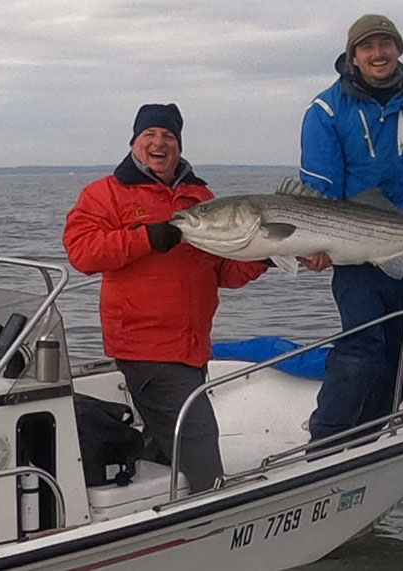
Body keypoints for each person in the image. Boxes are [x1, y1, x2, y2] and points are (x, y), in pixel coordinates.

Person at [62, 103, 267, 493]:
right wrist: (146, 238)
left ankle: (149, 513)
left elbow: (223, 270)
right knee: (200, 445)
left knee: (165, 443)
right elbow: (82, 252)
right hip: (145, 346)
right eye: (150, 135)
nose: (160, 142)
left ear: (179, 144)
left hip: (191, 346)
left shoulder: (199, 197)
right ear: (134, 142)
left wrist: (265, 257)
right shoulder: (105, 194)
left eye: (169, 136)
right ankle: (214, 519)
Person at [299, 15, 403, 444]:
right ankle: (327, 441)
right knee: (362, 346)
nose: (378, 53)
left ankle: (371, 432)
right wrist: (311, 243)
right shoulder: (327, 110)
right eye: (367, 46)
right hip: (351, 247)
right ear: (353, 56)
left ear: (399, 50)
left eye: (386, 43)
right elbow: (319, 190)